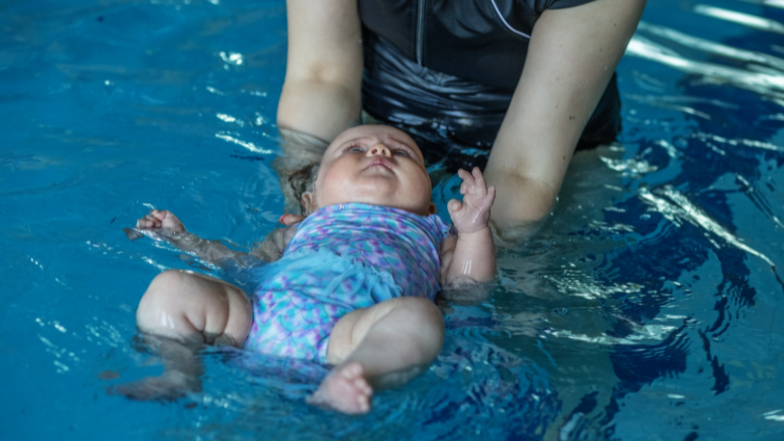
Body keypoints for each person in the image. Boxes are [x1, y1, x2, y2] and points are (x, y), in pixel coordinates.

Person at [119, 125, 496, 414]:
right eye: (355, 149)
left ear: (430, 206)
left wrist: (475, 231)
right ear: (311, 201)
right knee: (173, 287)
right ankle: (180, 371)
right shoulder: (301, 228)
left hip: (352, 336)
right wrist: (182, 238)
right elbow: (241, 267)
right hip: (254, 322)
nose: (380, 150)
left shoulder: (432, 231)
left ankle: (357, 375)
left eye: (402, 153)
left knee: (420, 317)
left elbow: (466, 287)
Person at [275, 0, 647, 241]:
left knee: (532, 323)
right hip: (384, 124)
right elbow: (320, 79)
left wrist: (450, 263)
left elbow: (525, 171)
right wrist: (311, 217)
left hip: (552, 158)